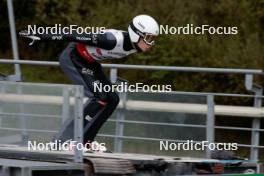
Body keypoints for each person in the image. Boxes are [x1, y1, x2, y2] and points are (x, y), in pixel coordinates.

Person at [20, 14, 159, 150]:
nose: (151, 43)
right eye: (148, 38)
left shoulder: (133, 45)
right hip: (73, 57)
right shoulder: (111, 40)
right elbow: (72, 34)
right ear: (136, 34)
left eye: (153, 39)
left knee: (112, 99)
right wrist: (42, 35)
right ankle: (61, 141)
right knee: (100, 97)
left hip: (90, 62)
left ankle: (86, 140)